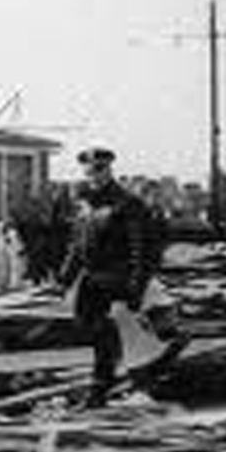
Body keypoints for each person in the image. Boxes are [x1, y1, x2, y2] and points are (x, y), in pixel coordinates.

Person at [54, 146, 153, 407]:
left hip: (116, 277)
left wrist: (136, 287)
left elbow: (142, 250)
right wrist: (65, 278)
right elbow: (77, 246)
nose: (94, 175)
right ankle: (109, 373)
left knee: (105, 330)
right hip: (92, 279)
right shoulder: (85, 206)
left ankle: (102, 385)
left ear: (109, 170)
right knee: (87, 327)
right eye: (89, 171)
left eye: (99, 170)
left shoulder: (127, 204)